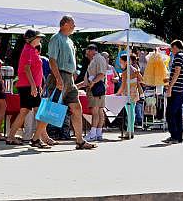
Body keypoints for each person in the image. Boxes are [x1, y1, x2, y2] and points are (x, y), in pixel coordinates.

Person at [47, 15, 96, 150]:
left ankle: (80, 140)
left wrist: (72, 75)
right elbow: (52, 60)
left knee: (76, 108)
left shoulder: (69, 40)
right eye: (72, 24)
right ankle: (38, 137)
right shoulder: (56, 38)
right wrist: (58, 78)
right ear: (65, 24)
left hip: (69, 78)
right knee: (51, 109)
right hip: (60, 76)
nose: (74, 26)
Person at [6, 30, 50, 147]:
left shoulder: (32, 50)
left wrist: (38, 85)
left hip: (29, 85)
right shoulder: (29, 50)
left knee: (24, 112)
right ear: (30, 39)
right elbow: (27, 69)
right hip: (28, 86)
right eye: (38, 37)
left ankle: (11, 137)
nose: (40, 39)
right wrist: (33, 86)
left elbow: (36, 71)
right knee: (41, 112)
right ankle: (38, 139)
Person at [76, 44, 107, 141]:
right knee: (99, 111)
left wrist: (93, 83)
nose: (86, 55)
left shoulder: (99, 59)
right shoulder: (95, 60)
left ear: (91, 51)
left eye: (86, 53)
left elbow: (101, 74)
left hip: (96, 89)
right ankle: (98, 133)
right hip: (95, 87)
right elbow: (87, 80)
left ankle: (93, 133)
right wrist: (77, 86)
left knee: (96, 111)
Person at [164, 40, 183, 144]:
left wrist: (170, 87)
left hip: (176, 90)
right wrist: (169, 79)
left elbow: (177, 72)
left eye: (171, 48)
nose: (171, 50)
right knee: (177, 114)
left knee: (170, 113)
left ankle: (174, 136)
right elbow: (181, 74)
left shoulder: (178, 57)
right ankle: (178, 137)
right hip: (181, 89)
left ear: (175, 47)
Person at [116, 54, 143, 138]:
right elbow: (141, 79)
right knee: (132, 113)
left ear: (125, 62)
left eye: (121, 62)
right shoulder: (135, 70)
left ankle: (129, 132)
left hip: (127, 95)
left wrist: (117, 94)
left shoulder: (125, 73)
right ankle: (131, 131)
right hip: (134, 93)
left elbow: (123, 85)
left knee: (129, 113)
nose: (120, 63)